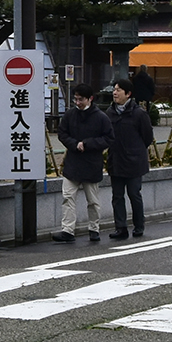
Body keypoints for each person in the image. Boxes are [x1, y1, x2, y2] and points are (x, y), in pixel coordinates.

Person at [53, 84, 113, 243]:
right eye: (76, 99)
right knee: (67, 197)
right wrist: (74, 144)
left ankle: (94, 228)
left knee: (92, 200)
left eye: (81, 99)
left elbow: (108, 138)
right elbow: (62, 133)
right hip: (73, 163)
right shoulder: (70, 115)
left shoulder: (100, 117)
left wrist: (87, 144)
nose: (77, 102)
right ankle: (67, 230)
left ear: (90, 99)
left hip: (91, 163)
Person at [105, 76, 154, 239]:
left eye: (118, 90)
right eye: (114, 89)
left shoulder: (139, 113)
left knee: (134, 194)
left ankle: (139, 226)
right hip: (116, 161)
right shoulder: (110, 112)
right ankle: (121, 227)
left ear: (128, 94)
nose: (115, 93)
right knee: (117, 196)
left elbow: (147, 137)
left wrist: (136, 150)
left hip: (134, 161)